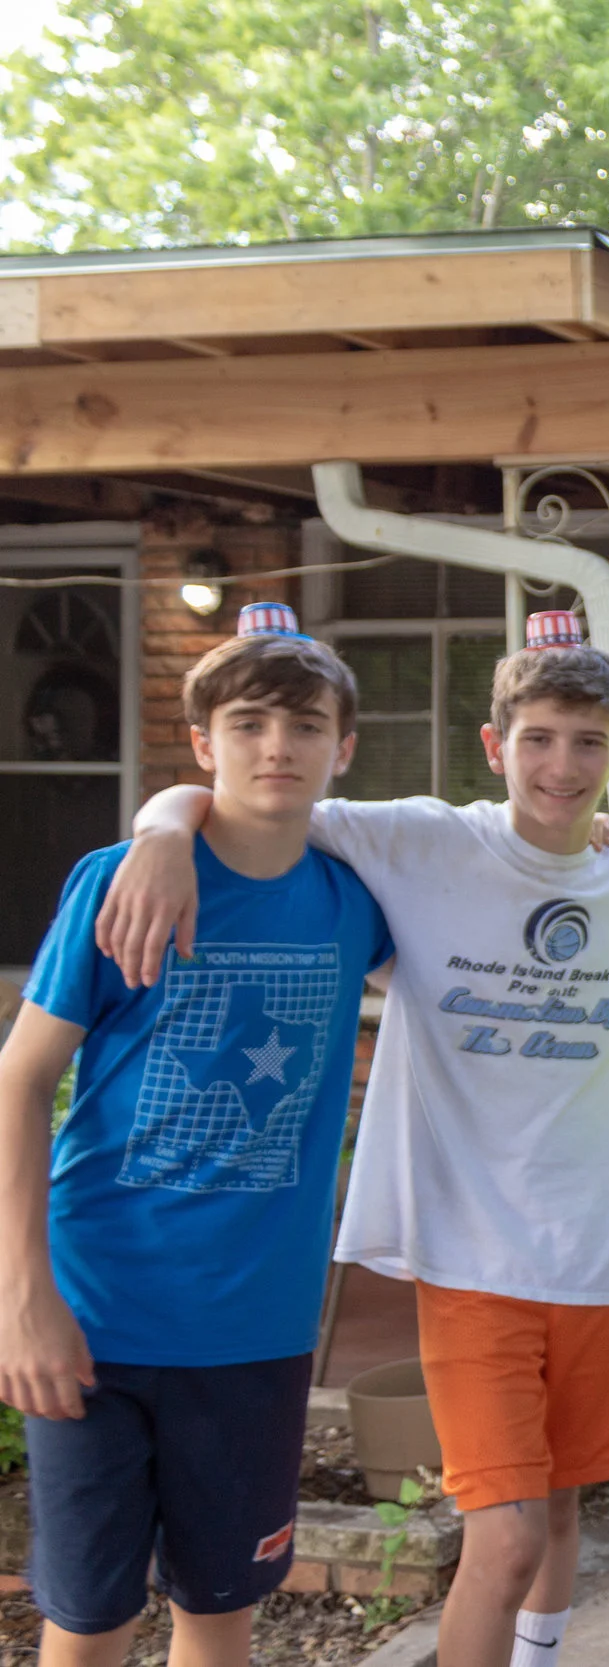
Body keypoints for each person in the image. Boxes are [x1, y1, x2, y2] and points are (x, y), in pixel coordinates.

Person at [92, 611, 609, 1667]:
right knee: (510, 1531)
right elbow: (246, 792)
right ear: (494, 746)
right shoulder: (421, 838)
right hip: (469, 1256)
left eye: (587, 743)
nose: (561, 764)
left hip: (600, 1259)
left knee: (564, 1509)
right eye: (536, 737)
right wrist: (162, 830)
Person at [0, 606, 392, 1665]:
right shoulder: (117, 879)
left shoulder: (355, 900)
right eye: (251, 721)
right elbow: (21, 1078)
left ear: (342, 748)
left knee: (220, 1610)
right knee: (88, 1620)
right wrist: (22, 1294)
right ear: (203, 737)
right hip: (96, 1320)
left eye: (306, 725)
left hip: (254, 1330)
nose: (278, 746)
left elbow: (486, 925)